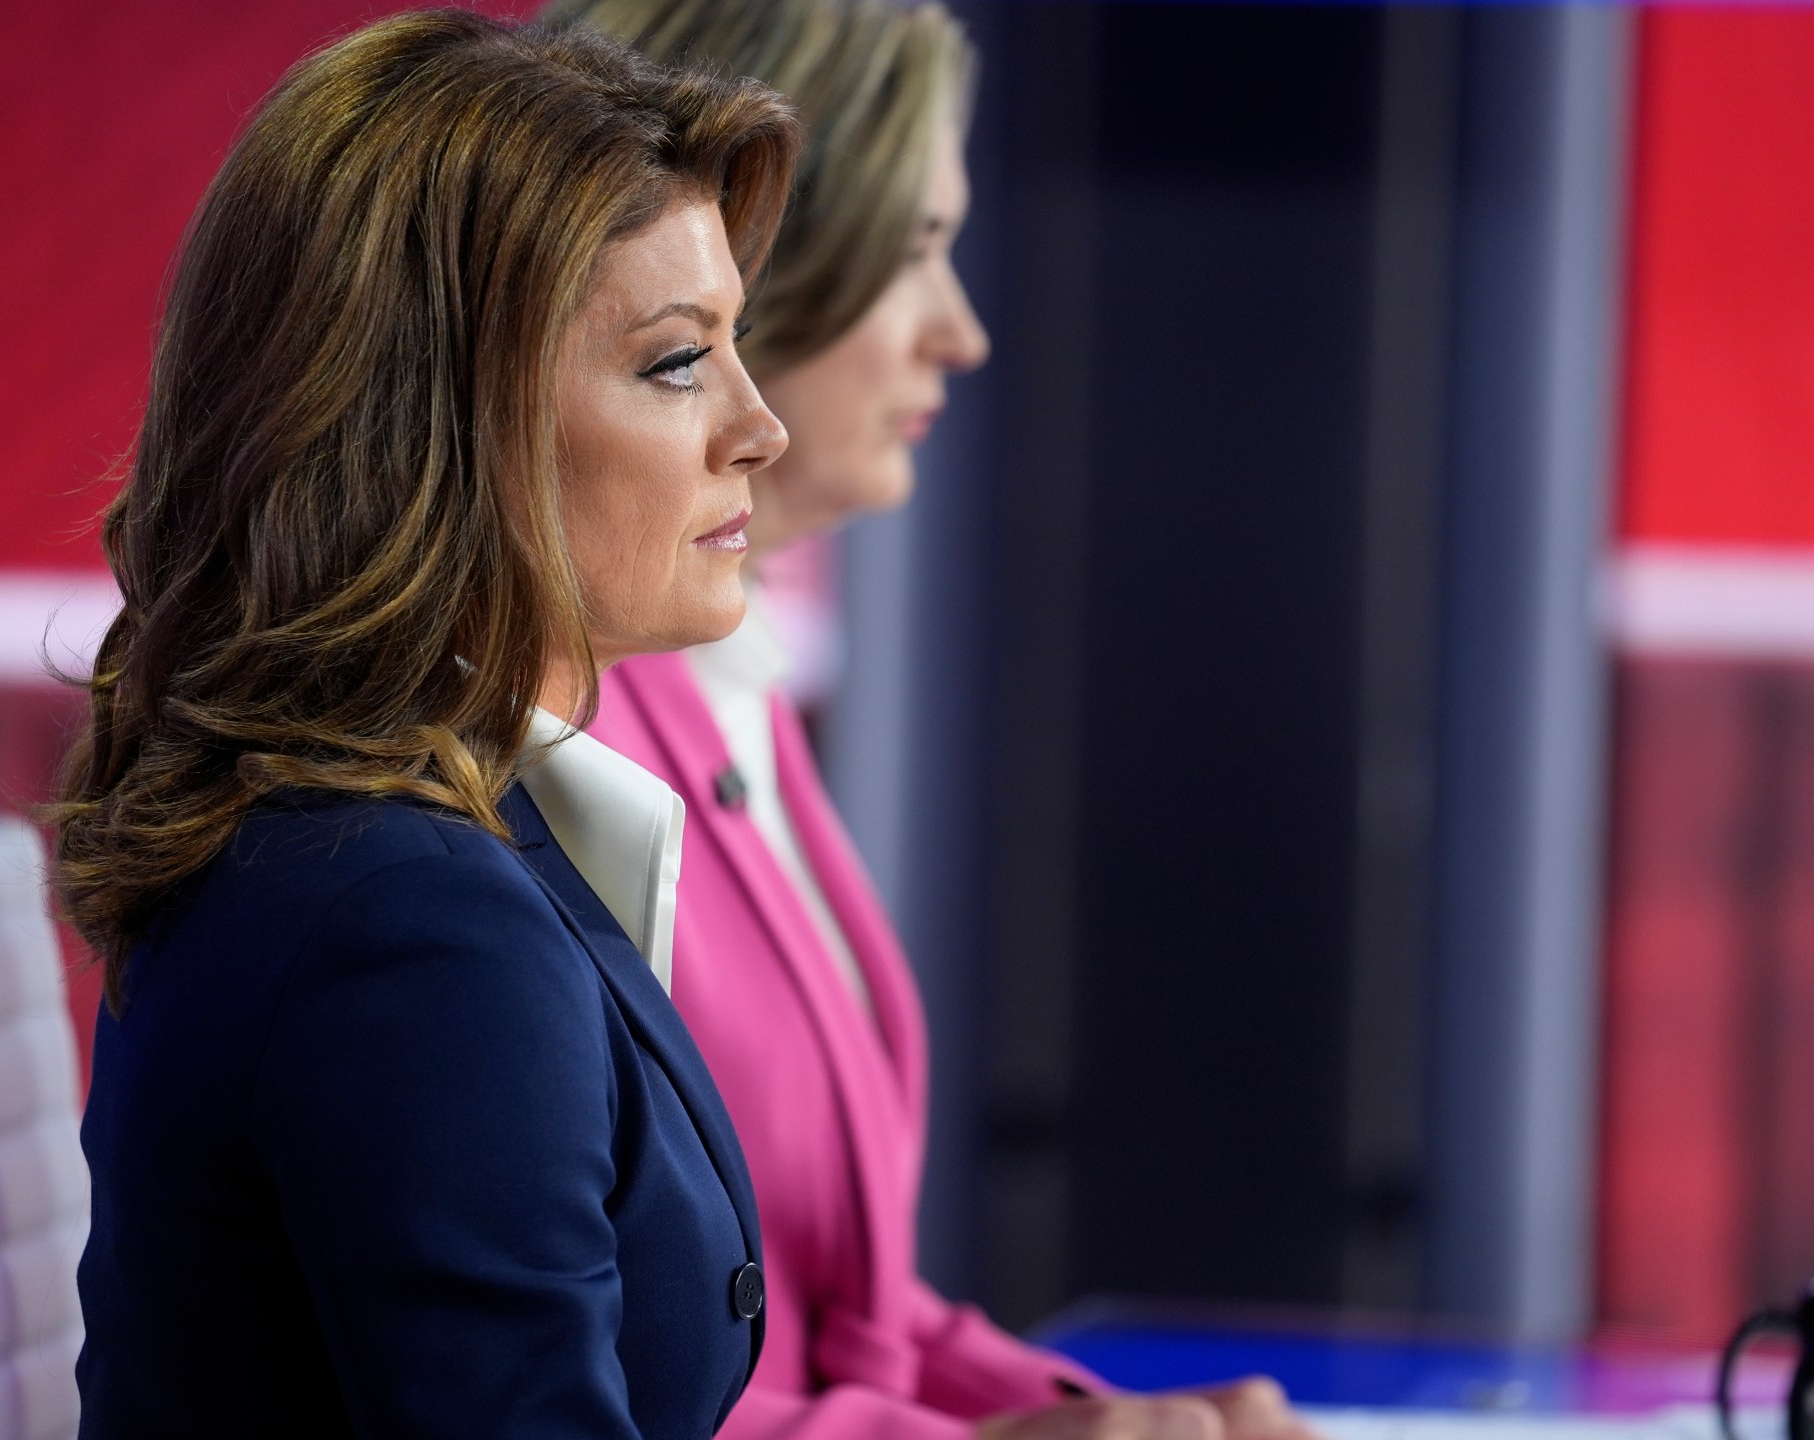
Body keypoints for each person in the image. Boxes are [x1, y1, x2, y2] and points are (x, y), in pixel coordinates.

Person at [549, 3, 1315, 1437]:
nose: (961, 333)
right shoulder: (556, 746)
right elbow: (587, 1391)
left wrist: (1120, 1420)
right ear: (757, 261)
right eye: (916, 251)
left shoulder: (727, 685)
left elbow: (855, 1317)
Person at [57, 13, 801, 1435]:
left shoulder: (371, 836)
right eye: (674, 363)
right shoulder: (409, 925)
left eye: (735, 347)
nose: (758, 426)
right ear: (439, 422)